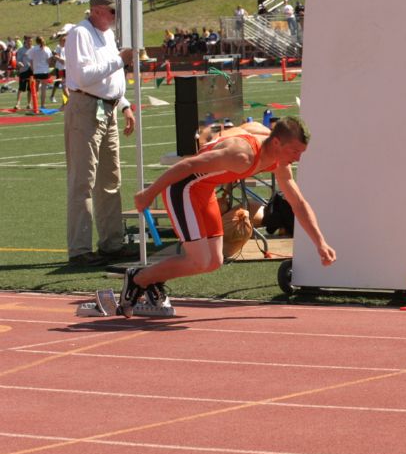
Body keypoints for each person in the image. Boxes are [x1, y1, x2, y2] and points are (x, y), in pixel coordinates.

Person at [122, 118, 336, 316]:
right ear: (278, 143)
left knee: (214, 261)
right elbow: (187, 165)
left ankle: (149, 279)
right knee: (199, 260)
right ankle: (139, 279)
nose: (297, 158)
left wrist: (320, 243)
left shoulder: (274, 152)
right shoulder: (241, 156)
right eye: (295, 151)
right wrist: (149, 194)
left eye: (301, 152)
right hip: (182, 188)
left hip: (204, 190)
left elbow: (297, 203)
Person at [64, 0, 136, 266]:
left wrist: (124, 103)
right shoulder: (79, 34)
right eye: (112, 11)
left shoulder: (105, 33)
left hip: (107, 107)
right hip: (86, 108)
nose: (116, 17)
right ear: (96, 10)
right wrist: (121, 58)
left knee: (110, 179)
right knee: (83, 180)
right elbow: (84, 76)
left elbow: (111, 77)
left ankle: (111, 243)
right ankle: (80, 249)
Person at [27, 35, 52, 107]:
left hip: (36, 72)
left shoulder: (33, 49)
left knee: (36, 90)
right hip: (44, 71)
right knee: (43, 90)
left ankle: (35, 105)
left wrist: (33, 69)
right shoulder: (47, 49)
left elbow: (30, 60)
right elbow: (49, 62)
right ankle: (42, 106)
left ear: (36, 41)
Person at [13, 35, 32, 111]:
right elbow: (17, 60)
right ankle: (18, 104)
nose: (30, 41)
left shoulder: (34, 49)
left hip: (32, 71)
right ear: (25, 40)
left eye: (31, 40)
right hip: (24, 70)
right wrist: (19, 63)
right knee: (21, 88)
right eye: (29, 40)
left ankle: (29, 104)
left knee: (30, 89)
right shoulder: (21, 50)